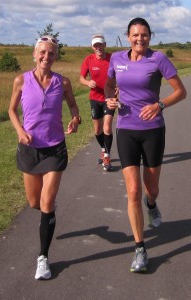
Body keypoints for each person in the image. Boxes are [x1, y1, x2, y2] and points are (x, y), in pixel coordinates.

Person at [105, 17, 187, 272]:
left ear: (150, 36)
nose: (140, 39)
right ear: (128, 36)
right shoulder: (117, 59)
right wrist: (109, 99)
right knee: (133, 192)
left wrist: (159, 104)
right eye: (135, 35)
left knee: (151, 188)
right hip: (126, 129)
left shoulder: (158, 59)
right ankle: (140, 248)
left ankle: (152, 205)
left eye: (144, 35)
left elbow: (180, 91)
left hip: (152, 131)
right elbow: (109, 83)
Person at [8, 35, 81, 280]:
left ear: (56, 56)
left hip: (55, 148)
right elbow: (11, 109)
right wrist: (20, 131)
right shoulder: (21, 80)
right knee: (34, 203)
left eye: (51, 53)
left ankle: (43, 258)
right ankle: (47, 208)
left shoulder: (64, 82)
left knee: (46, 205)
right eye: (42, 52)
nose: (46, 57)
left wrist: (75, 118)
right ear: (34, 54)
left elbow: (72, 105)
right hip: (30, 149)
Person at [80, 34, 115, 171]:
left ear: (105, 45)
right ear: (92, 47)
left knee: (107, 128)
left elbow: (120, 74)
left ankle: (107, 156)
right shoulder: (88, 59)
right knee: (98, 129)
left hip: (109, 97)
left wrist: (118, 87)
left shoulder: (112, 58)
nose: (98, 48)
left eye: (100, 45)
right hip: (95, 98)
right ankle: (103, 148)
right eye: (95, 45)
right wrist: (88, 82)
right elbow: (81, 78)